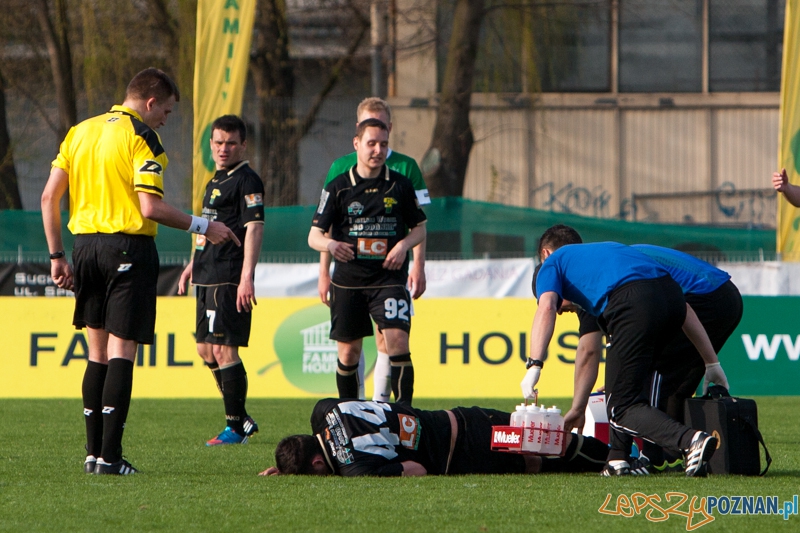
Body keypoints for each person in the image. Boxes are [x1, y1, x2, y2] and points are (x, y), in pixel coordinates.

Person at [41, 68, 239, 475]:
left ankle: (93, 455)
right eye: (166, 110)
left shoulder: (79, 131)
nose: (166, 118)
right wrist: (206, 226)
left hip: (85, 248)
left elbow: (49, 197)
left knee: (95, 354)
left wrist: (57, 255)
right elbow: (149, 207)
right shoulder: (142, 137)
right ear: (150, 103)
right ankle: (111, 458)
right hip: (127, 248)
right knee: (122, 352)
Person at [523, 225, 729, 477]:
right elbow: (685, 311)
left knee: (622, 407)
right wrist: (712, 363)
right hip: (671, 298)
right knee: (623, 388)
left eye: (559, 305)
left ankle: (690, 441)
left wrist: (534, 365)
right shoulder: (607, 257)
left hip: (634, 302)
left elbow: (548, 311)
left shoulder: (551, 264)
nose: (560, 311)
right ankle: (617, 459)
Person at [308, 118, 427, 404]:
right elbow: (313, 236)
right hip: (348, 282)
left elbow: (420, 228)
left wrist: (403, 246)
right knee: (349, 353)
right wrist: (332, 244)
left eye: (383, 144)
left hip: (388, 279)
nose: (378, 150)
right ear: (357, 143)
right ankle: (351, 413)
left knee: (398, 340)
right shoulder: (339, 187)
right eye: (371, 143)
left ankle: (404, 414)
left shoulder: (400, 185)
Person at [177, 115, 264, 446]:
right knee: (205, 350)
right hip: (206, 273)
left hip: (229, 275)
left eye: (230, 143)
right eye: (218, 143)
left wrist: (246, 277)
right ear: (210, 145)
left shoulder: (247, 180)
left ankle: (235, 427)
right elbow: (206, 228)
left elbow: (254, 228)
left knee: (225, 349)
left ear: (243, 145)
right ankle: (241, 418)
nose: (223, 148)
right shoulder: (214, 180)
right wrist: (191, 265)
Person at [258, 398, 609, 476]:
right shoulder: (322, 412)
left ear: (318, 463)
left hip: (463, 452)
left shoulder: (355, 471)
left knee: (534, 458)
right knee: (545, 436)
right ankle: (621, 453)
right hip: (462, 417)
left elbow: (416, 470)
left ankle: (614, 463)